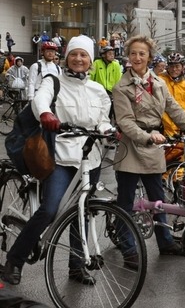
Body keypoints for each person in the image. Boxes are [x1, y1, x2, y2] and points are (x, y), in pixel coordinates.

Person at [1, 35, 112, 286]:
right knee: (50, 210)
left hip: (89, 159)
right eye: (74, 54)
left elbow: (103, 119)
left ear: (91, 60)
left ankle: (76, 266)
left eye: (84, 55)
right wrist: (46, 113)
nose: (79, 59)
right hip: (61, 156)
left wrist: (108, 130)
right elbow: (40, 99)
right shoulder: (54, 81)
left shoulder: (98, 90)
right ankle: (14, 260)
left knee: (82, 213)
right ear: (67, 57)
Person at [112, 36, 185, 264]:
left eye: (142, 54)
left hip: (155, 145)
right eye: (133, 53)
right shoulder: (121, 86)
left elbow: (174, 109)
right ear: (128, 56)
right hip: (132, 145)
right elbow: (125, 122)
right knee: (125, 201)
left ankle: (165, 241)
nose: (137, 57)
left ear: (150, 57)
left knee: (158, 199)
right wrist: (147, 137)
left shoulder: (157, 83)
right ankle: (128, 248)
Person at [158, 52, 185, 137]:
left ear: (182, 67)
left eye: (177, 66)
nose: (174, 69)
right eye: (171, 66)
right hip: (165, 127)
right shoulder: (160, 80)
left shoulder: (183, 83)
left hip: (182, 126)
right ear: (167, 67)